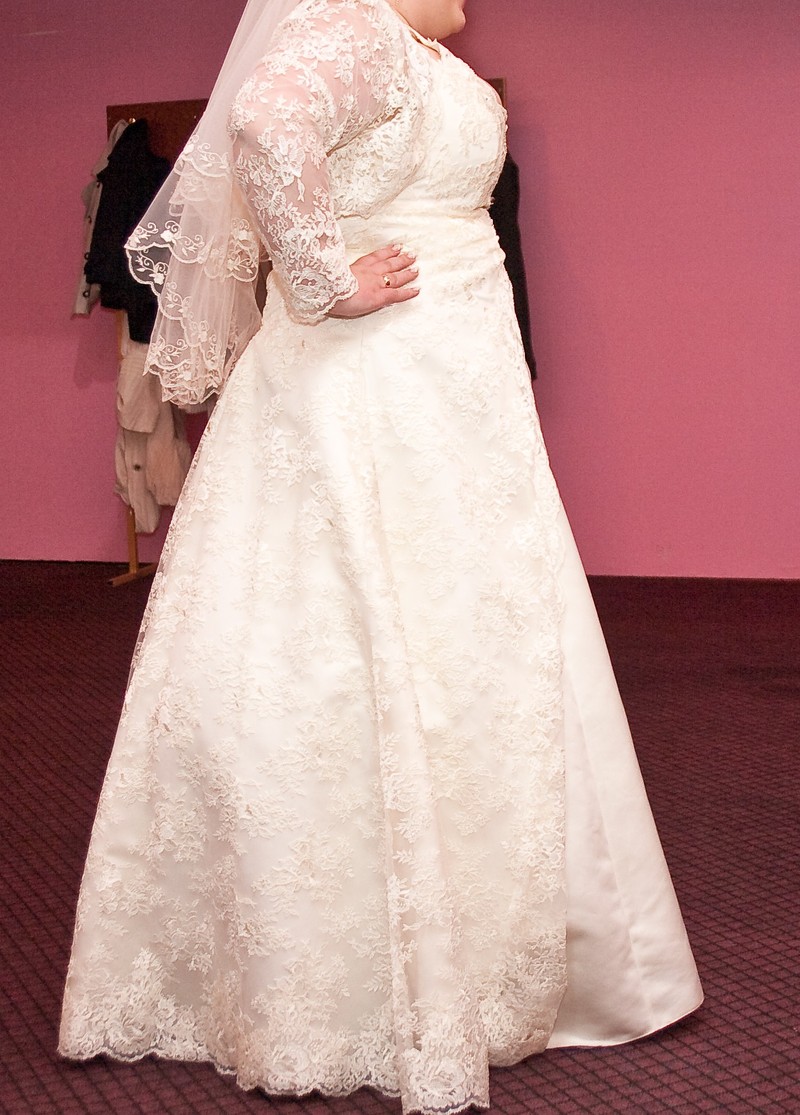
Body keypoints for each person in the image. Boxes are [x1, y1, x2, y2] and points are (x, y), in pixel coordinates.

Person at [59, 2, 703, 1112]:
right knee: (350, 638)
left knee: (450, 638)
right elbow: (265, 120)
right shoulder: (356, 24)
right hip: (378, 388)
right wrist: (323, 278)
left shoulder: (414, 52)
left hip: (441, 389)